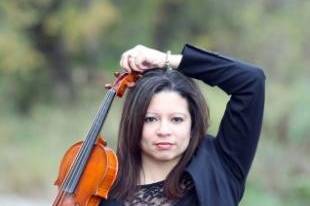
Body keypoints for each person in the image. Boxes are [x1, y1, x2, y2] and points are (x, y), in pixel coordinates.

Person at [100, 44, 265, 206]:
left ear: (192, 124)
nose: (164, 131)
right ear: (133, 123)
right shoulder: (101, 189)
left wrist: (166, 60)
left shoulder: (220, 166)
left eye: (177, 119)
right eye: (150, 119)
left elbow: (251, 81)